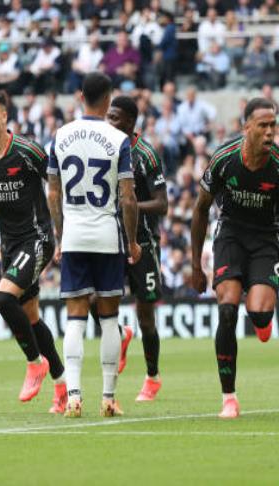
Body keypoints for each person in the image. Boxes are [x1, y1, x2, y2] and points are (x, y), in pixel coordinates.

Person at [191, 97, 279, 419]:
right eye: (263, 126)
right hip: (229, 234)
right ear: (247, 128)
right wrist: (195, 267)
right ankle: (229, 398)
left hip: (265, 240)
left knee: (259, 312)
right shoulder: (223, 160)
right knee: (227, 309)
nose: (270, 132)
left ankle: (262, 321)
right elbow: (200, 210)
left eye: (274, 125)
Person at [0, 89, 66, 413]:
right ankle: (62, 386)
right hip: (8, 246)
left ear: (4, 116)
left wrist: (63, 232)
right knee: (32, 317)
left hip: (37, 239)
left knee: (3, 298)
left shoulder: (27, 152)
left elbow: (56, 184)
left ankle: (35, 363)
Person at [47, 72, 140, 418]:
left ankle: (72, 396)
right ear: (108, 98)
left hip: (73, 233)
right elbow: (128, 198)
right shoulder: (118, 139)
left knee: (75, 319)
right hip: (105, 233)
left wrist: (59, 236)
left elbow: (53, 192)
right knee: (110, 318)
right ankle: (108, 397)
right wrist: (131, 242)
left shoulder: (60, 135)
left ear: (80, 95)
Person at [105, 95, 168, 402]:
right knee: (95, 301)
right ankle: (119, 335)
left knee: (145, 314)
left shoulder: (145, 154)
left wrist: (130, 206)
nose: (109, 122)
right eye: (107, 116)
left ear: (130, 122)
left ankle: (152, 377)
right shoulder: (104, 149)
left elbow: (163, 203)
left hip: (143, 243)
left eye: (114, 118)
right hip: (108, 241)